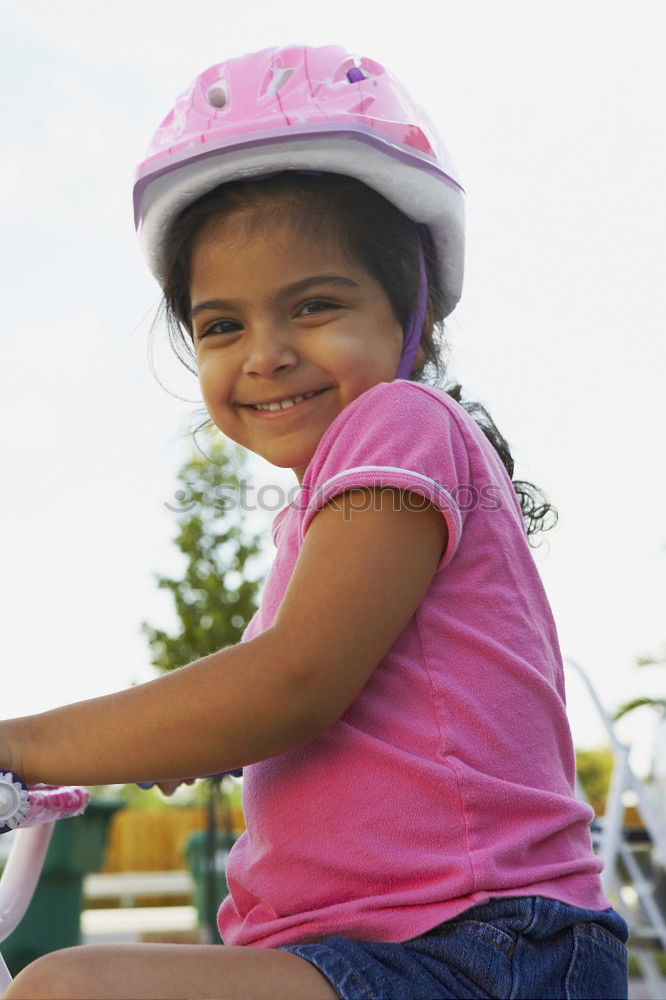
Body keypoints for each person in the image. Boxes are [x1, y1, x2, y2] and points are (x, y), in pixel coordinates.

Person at [1, 44, 629, 1000]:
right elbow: (282, 700)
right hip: (390, 946)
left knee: (67, 988)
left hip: (482, 946)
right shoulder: (330, 505)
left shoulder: (402, 422)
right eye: (221, 326)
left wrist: (20, 742)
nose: (267, 355)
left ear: (409, 312)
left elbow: (292, 684)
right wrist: (191, 734)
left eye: (316, 305)